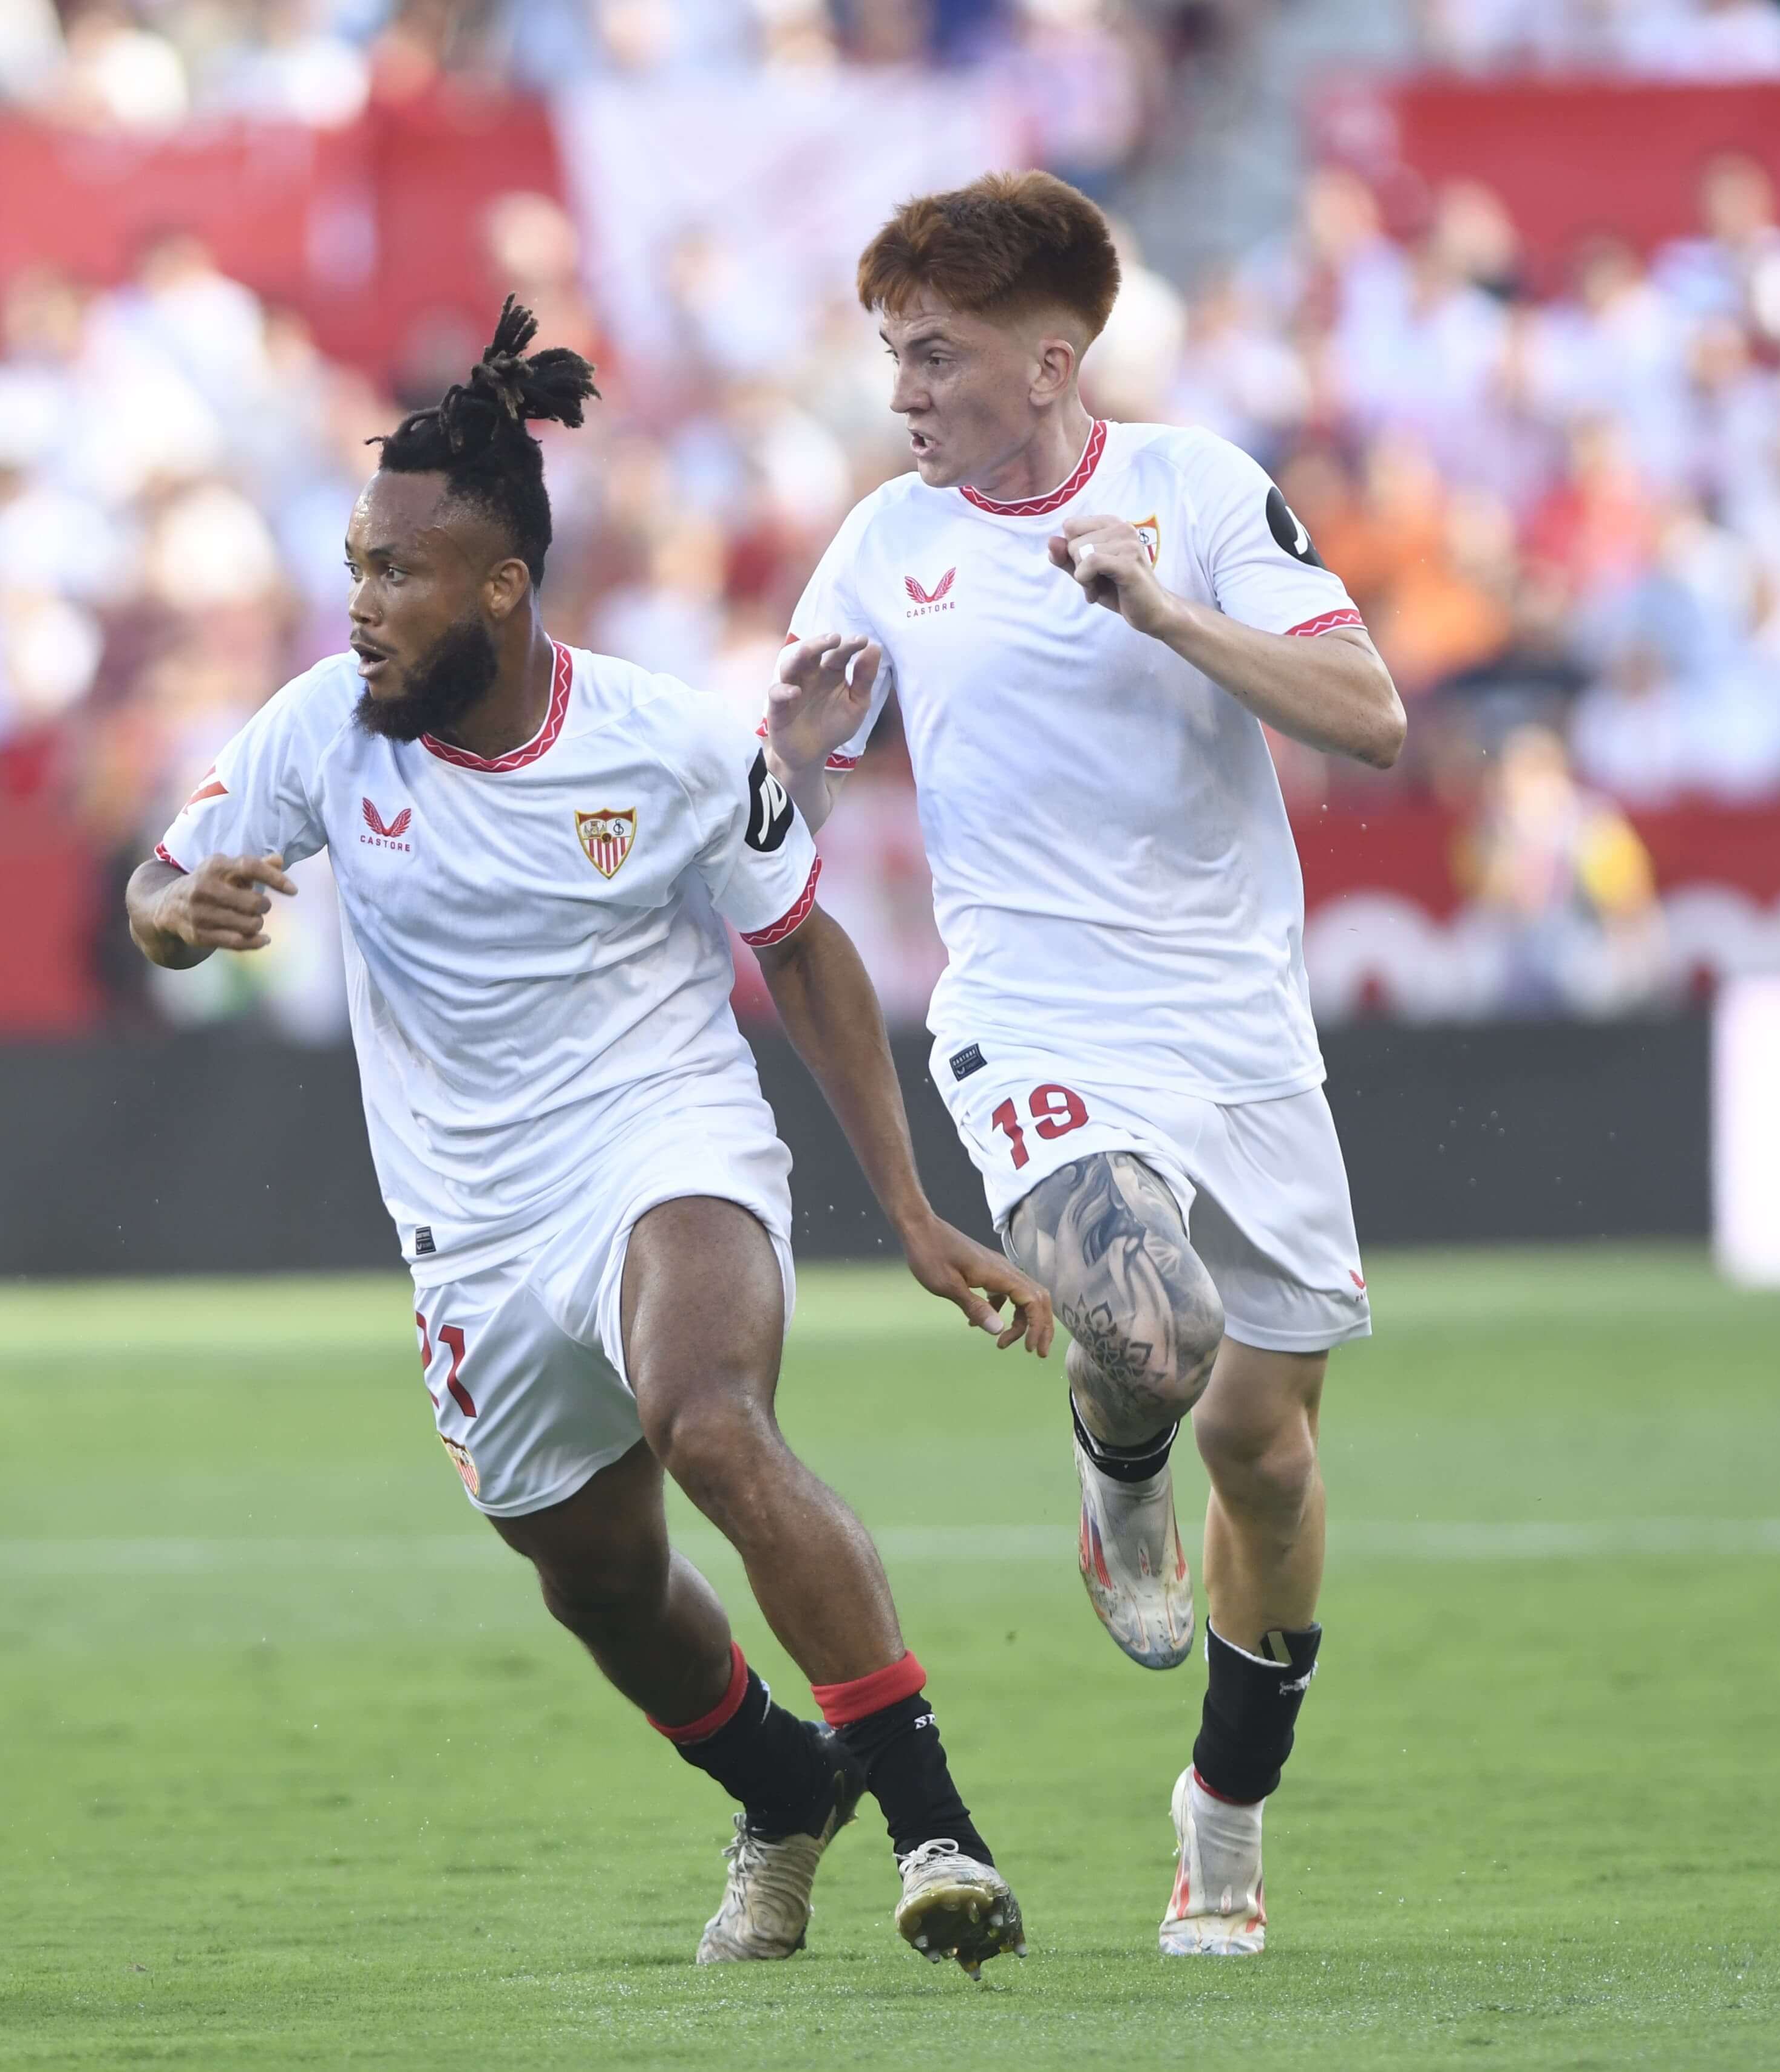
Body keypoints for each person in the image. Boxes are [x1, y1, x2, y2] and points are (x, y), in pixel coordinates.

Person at [127, 301, 1057, 1977]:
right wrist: (181, 912)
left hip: (662, 1140)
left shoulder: (675, 745)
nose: (361, 604)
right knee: (600, 1584)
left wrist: (914, 1212)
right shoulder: (316, 734)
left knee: (710, 1423)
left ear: (500, 587)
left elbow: (804, 950)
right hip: (470, 1225)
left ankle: (937, 1829)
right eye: (353, 566)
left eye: (398, 574)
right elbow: (154, 897)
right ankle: (782, 1787)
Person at [761, 174, 1407, 1957]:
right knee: (1148, 1332)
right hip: (1035, 1013)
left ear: (1051, 360)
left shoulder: (1195, 491)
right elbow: (768, 836)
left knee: (1269, 1463)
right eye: (892, 354)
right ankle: (1119, 1475)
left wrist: (1167, 613)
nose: (902, 391)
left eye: (935, 355)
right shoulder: (886, 542)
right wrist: (798, 755)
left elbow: (1372, 716)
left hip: (1241, 1029)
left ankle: (1223, 1812)